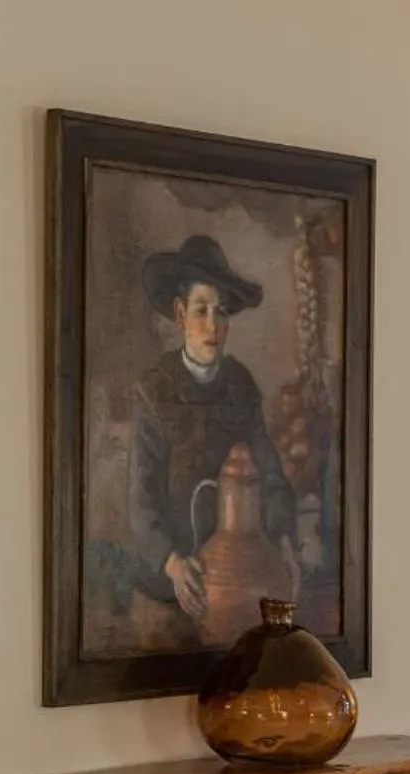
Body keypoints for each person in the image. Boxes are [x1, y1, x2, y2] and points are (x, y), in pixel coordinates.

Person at [126, 234, 296, 624]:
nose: (212, 326)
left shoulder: (240, 387)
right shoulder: (155, 390)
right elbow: (141, 498)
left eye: (221, 313)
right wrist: (172, 564)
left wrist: (285, 540)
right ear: (180, 313)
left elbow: (270, 474)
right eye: (201, 310)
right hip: (168, 584)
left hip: (235, 580)